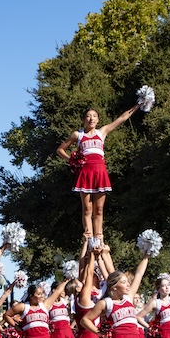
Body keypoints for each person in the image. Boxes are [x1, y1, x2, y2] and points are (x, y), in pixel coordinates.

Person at [55, 103, 140, 244]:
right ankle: (88, 236)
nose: (91, 119)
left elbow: (123, 117)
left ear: (98, 120)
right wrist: (71, 160)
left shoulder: (102, 132)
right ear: (84, 119)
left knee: (99, 208)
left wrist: (138, 105)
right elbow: (60, 150)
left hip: (100, 172)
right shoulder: (78, 135)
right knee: (87, 208)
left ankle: (99, 236)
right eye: (88, 116)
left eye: (94, 116)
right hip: (85, 173)